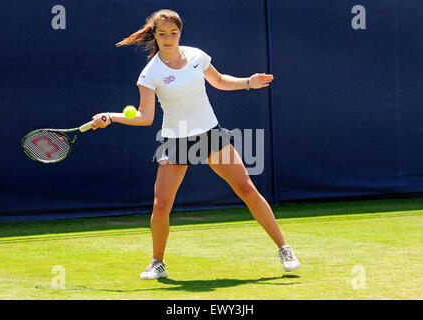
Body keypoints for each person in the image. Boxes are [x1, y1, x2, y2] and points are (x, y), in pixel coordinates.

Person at [91, 9, 300, 280]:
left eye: (173, 33)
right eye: (162, 34)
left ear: (180, 33)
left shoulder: (196, 56)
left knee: (247, 188)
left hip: (210, 133)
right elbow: (145, 117)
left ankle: (284, 248)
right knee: (161, 206)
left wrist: (249, 82)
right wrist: (112, 117)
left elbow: (220, 80)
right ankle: (157, 262)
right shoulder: (150, 73)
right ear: (154, 34)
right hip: (176, 141)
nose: (168, 39)